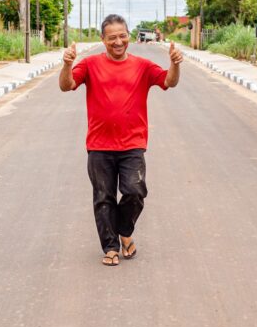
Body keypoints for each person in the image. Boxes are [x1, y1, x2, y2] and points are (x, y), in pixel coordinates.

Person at [59, 14, 183, 266]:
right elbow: (66, 85)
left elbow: (169, 81)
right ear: (103, 39)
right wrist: (66, 65)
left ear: (128, 35)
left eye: (122, 36)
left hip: (132, 145)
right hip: (99, 146)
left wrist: (175, 64)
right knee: (103, 197)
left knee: (135, 192)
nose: (118, 41)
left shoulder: (143, 66)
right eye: (112, 37)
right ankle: (111, 247)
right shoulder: (91, 64)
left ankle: (124, 230)